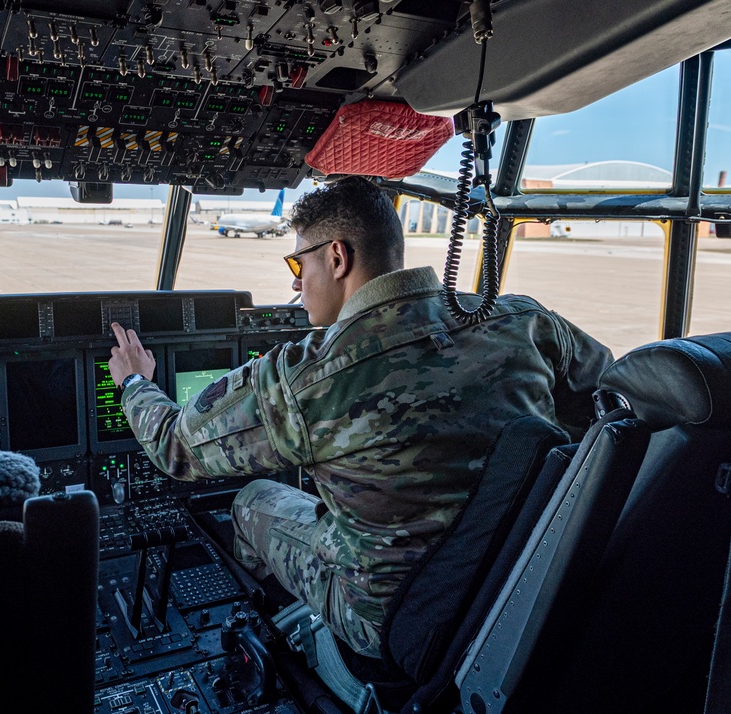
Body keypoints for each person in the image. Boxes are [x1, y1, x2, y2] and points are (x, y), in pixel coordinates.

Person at [108, 176, 613, 657]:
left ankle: (287, 636)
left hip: (384, 616)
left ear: (336, 256)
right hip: (521, 579)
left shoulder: (311, 380)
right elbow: (611, 402)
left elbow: (176, 446)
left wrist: (134, 383)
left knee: (254, 499)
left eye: (297, 264)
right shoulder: (524, 321)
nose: (296, 285)